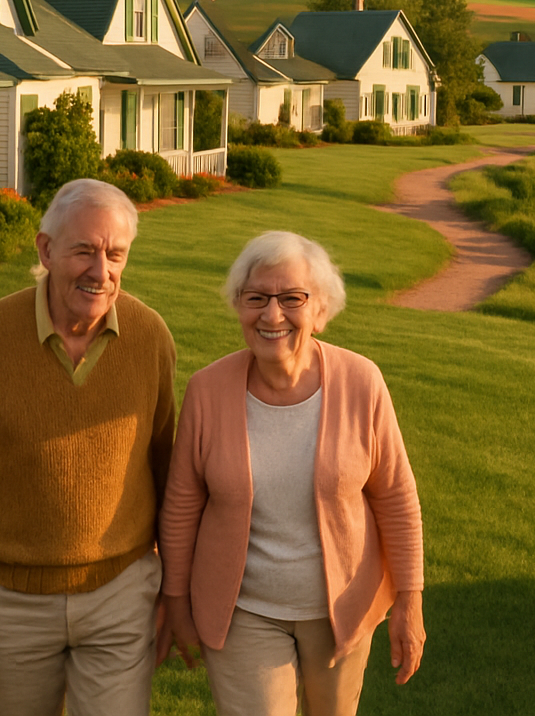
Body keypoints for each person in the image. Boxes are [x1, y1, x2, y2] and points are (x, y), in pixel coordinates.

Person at [0, 178, 176, 716]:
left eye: (115, 254)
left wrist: (175, 589)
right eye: (85, 251)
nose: (102, 272)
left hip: (121, 594)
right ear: (46, 250)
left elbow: (171, 472)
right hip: (5, 602)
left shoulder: (150, 336)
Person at [159, 230, 425, 716]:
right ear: (238, 305)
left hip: (341, 609)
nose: (272, 314)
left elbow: (396, 497)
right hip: (242, 612)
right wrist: (175, 599)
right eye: (256, 297)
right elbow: (181, 505)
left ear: (320, 309)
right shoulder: (207, 390)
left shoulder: (362, 382)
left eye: (291, 298)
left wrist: (410, 599)